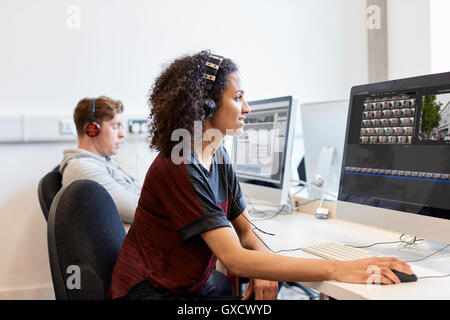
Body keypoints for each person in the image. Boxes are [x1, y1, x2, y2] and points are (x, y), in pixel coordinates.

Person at [108, 51, 413, 300]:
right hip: (150, 293)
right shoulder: (180, 164)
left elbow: (245, 229)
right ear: (205, 106)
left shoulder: (216, 153)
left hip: (188, 287)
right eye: (238, 97)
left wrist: (265, 265)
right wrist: (338, 269)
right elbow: (234, 259)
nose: (247, 108)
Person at [60, 96, 140, 230]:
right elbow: (136, 210)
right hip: (131, 247)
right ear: (92, 129)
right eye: (115, 126)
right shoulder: (82, 168)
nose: (122, 134)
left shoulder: (105, 161)